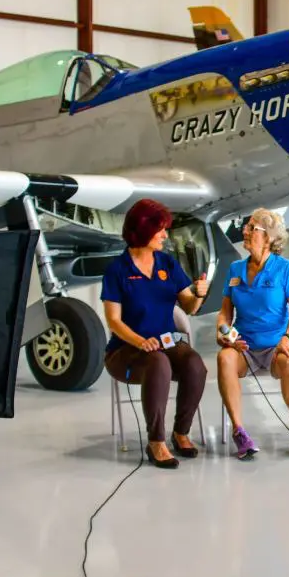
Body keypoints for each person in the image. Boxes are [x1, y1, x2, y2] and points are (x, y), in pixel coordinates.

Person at [101, 198, 210, 469]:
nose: (165, 235)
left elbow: (188, 306)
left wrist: (198, 294)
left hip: (165, 342)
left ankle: (181, 432)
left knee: (195, 365)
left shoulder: (167, 264)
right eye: (160, 229)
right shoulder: (117, 270)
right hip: (125, 351)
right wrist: (141, 341)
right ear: (143, 229)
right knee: (158, 362)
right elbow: (113, 321)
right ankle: (156, 441)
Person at [216, 208, 289, 459]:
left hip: (276, 345)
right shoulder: (235, 269)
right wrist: (224, 332)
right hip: (243, 346)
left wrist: (286, 338)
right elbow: (225, 313)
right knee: (223, 358)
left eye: (252, 228)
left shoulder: (285, 269)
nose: (244, 231)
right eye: (246, 226)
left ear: (268, 237)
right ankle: (239, 432)